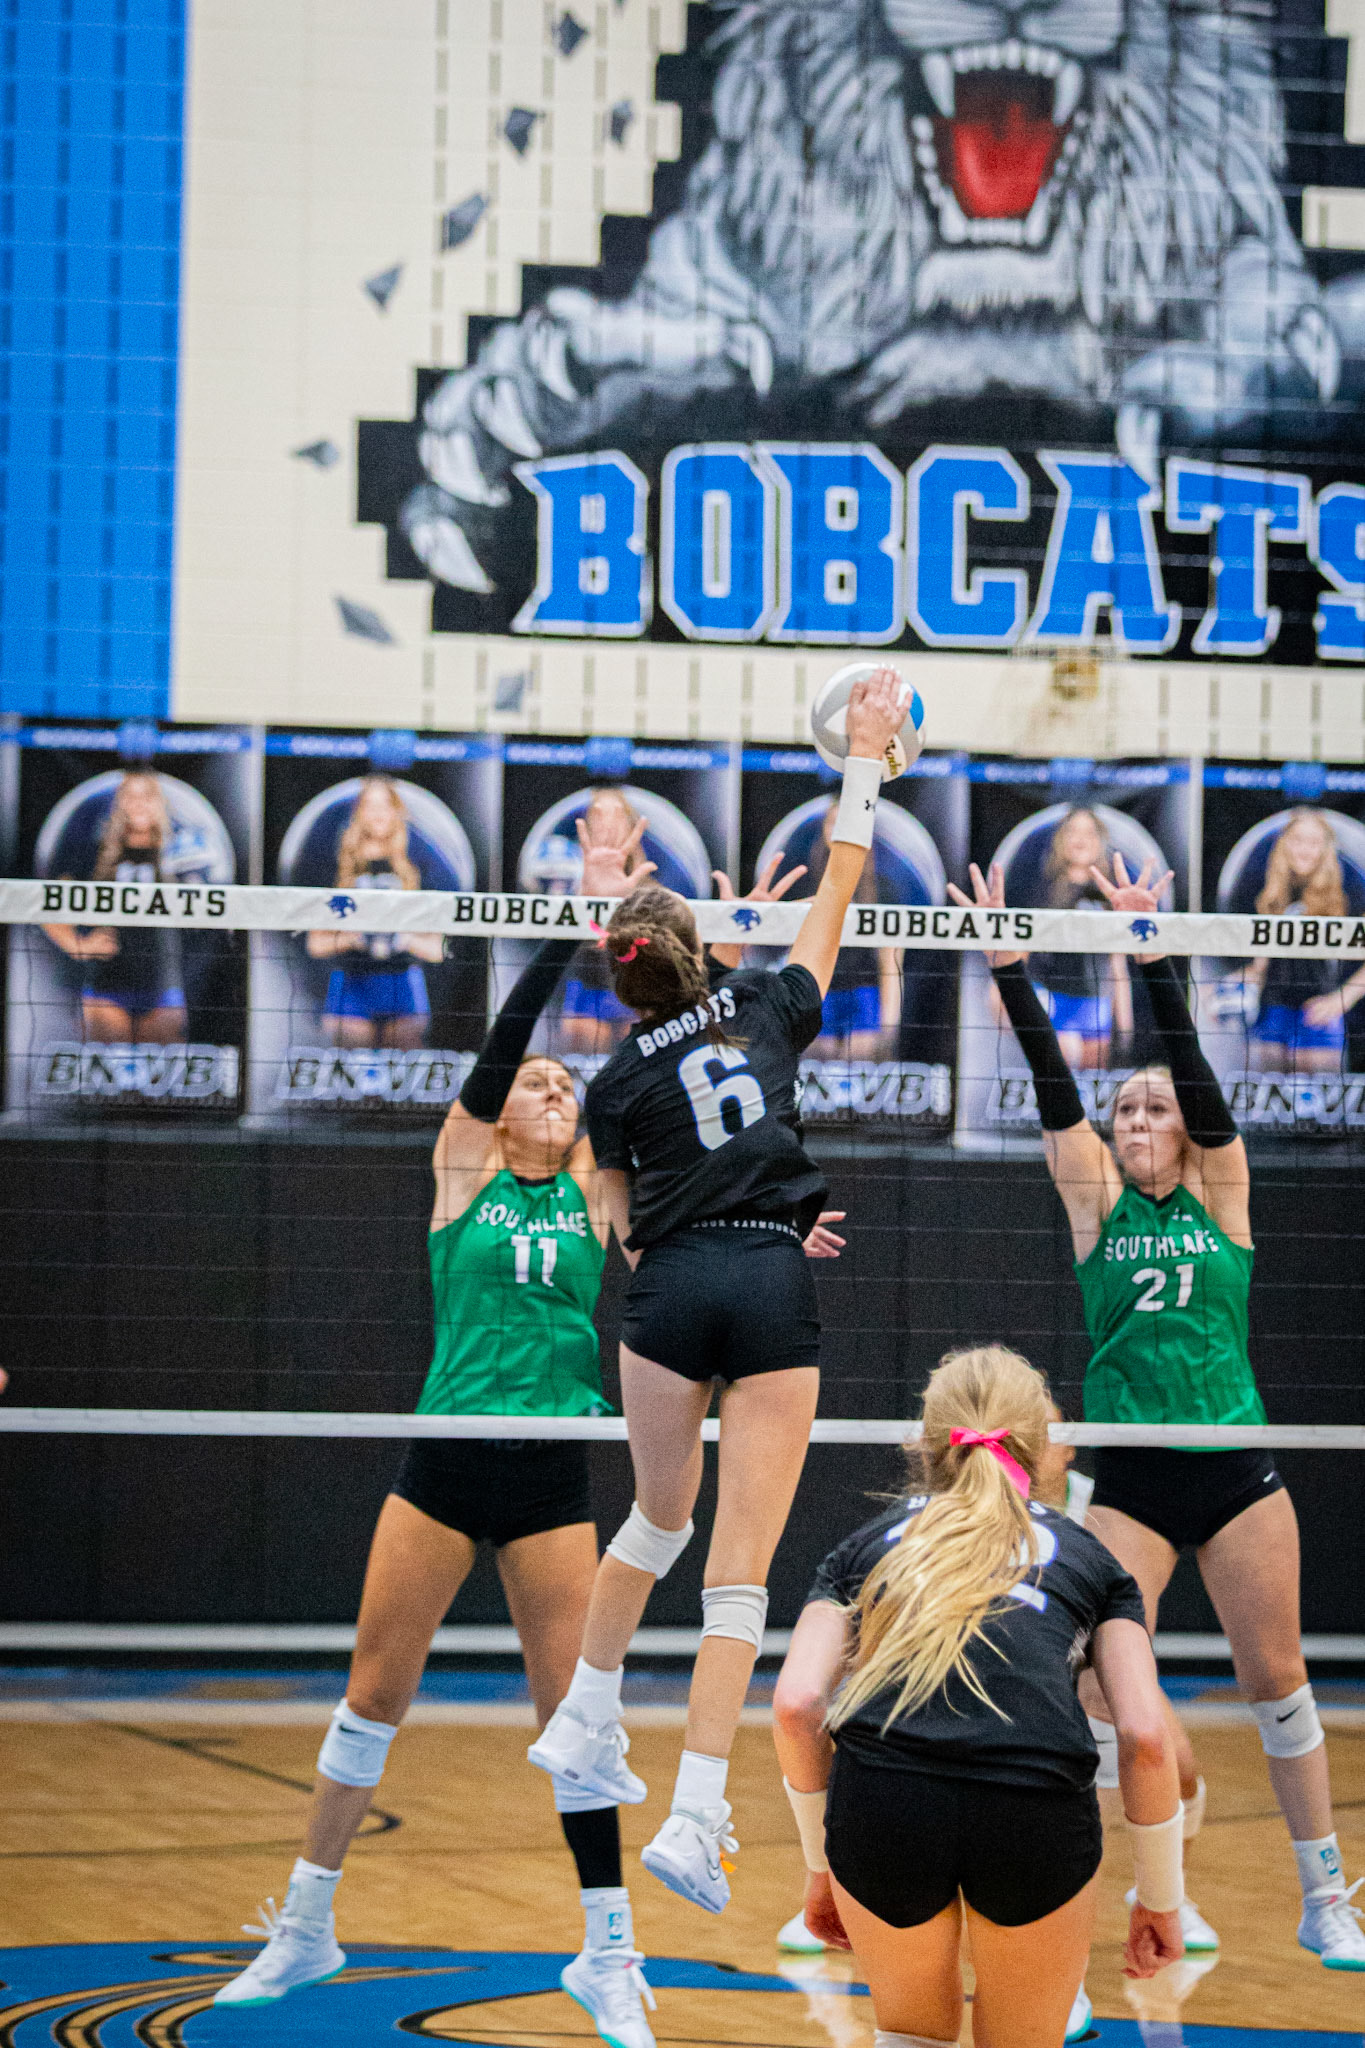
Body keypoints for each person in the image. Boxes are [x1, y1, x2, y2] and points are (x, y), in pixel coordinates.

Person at [215, 813, 662, 2048]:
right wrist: (568, 928)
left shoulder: (597, 1189)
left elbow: (648, 1067)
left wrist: (636, 941)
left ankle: (608, 1951)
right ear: (497, 1109)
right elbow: (506, 1043)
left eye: (568, 1086)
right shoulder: (462, 1167)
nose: (554, 1089)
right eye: (537, 1084)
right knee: (374, 1694)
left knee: (578, 1720)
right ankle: (307, 1922)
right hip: (445, 1458)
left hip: (550, 1472)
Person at [526, 667, 909, 1914]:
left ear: (623, 981)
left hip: (672, 1288)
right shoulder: (762, 1004)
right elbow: (842, 880)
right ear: (702, 954)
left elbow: (621, 1226)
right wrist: (862, 763)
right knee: (738, 1574)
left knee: (654, 1520)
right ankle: (694, 1815)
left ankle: (583, 1716)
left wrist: (699, 1229)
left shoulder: (610, 1085)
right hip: (766, 1278)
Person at [950, 852, 1365, 1972]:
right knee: (1091, 1683)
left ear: (1185, 1129)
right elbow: (1055, 1094)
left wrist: (1153, 957)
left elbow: (1201, 1086)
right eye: (1124, 1107)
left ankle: (1324, 1895)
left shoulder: (1223, 1195)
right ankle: (1156, 1889)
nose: (1136, 1118)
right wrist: (1011, 969)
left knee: (1278, 1681)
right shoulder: (1098, 1206)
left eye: (1155, 1107)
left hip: (1233, 1467)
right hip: (1129, 1474)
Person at [772, 1345, 1185, 2048]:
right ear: (1044, 1445)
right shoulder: (1092, 1559)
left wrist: (823, 1866)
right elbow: (1146, 1737)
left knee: (910, 2036)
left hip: (886, 1800)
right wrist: (1161, 1899)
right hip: (1030, 1804)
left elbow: (796, 1705)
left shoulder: (862, 1548)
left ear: (922, 1442)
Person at [42, 771, 189, 1043]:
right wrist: (78, 945)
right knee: (106, 1064)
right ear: (119, 801)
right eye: (131, 795)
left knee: (160, 1066)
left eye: (147, 796)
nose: (139, 803)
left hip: (162, 984)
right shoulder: (94, 849)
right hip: (107, 984)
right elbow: (45, 904)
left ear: (159, 802)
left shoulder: (179, 851)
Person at [306, 776, 444, 1050]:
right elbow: (316, 944)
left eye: (385, 805)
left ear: (397, 811)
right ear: (359, 812)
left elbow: (436, 949)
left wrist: (402, 939)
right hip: (351, 986)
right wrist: (353, 939)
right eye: (370, 805)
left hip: (402, 986)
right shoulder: (339, 867)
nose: (378, 813)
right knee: (351, 1071)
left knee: (400, 1070)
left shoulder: (417, 866)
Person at [1245, 808, 1365, 1073]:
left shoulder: (1349, 889)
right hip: (1272, 1010)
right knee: (1270, 1094)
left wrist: (1342, 999)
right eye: (1298, 840)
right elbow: (1262, 958)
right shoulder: (1269, 889)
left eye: (1313, 842)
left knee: (1316, 1097)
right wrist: (1240, 984)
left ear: (1325, 848)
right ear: (1284, 843)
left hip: (1319, 1013)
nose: (1304, 849)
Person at [1016, 807, 1134, 1070]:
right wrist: (1005, 994)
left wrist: (1125, 1025)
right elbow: (1022, 950)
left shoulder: (1110, 896)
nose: (1080, 839)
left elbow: (1117, 963)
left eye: (1088, 832)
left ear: (1099, 841)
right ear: (1061, 840)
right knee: (1055, 1071)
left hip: (1093, 1001)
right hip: (1051, 996)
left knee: (1090, 1079)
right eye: (1073, 831)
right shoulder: (1045, 889)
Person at [802, 801, 903, 1061]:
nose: (839, 831)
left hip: (863, 993)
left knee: (858, 1064)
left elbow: (891, 958)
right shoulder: (807, 882)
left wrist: (890, 1018)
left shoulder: (883, 888)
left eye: (846, 823)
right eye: (832, 823)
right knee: (818, 1067)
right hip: (819, 991)